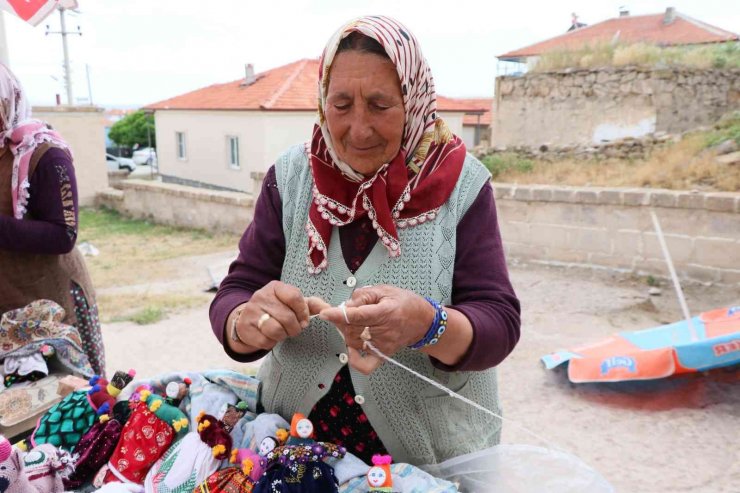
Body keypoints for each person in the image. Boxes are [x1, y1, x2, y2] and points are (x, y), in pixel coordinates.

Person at [210, 16, 520, 466]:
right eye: (341, 104)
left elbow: (499, 324)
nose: (358, 129)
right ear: (322, 102)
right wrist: (246, 322)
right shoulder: (292, 178)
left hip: (423, 463)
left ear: (413, 100)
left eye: (379, 105)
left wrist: (426, 324)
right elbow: (236, 292)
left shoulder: (461, 185)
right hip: (292, 455)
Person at [0, 63, 105, 375]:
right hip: (5, 305)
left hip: (51, 309)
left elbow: (63, 234)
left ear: (8, 101)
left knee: (68, 410)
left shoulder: (43, 154)